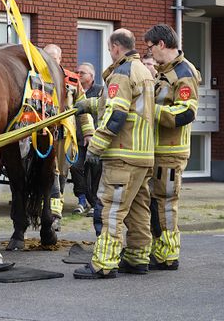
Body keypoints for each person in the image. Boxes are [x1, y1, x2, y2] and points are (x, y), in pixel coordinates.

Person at [73, 29, 155, 279]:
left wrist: (95, 147)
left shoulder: (121, 73)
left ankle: (104, 263)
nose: (110, 53)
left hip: (122, 154)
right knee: (139, 209)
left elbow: (116, 114)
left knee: (111, 209)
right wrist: (87, 104)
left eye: (110, 49)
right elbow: (123, 105)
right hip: (142, 155)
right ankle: (138, 257)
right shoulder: (143, 71)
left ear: (117, 48)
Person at [143, 24, 201, 270]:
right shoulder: (163, 71)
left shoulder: (183, 73)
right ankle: (160, 249)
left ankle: (168, 254)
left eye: (150, 48)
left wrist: (152, 111)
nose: (149, 53)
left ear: (161, 45)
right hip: (157, 149)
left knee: (166, 202)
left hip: (171, 151)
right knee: (156, 202)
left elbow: (186, 112)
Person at [43, 44, 94, 231]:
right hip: (42, 136)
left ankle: (55, 211)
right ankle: (53, 215)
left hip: (66, 136)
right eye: (46, 57)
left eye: (53, 58)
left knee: (62, 174)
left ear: (60, 59)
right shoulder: (37, 77)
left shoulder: (72, 80)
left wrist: (88, 132)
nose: (49, 61)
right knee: (50, 173)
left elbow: (84, 106)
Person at [69, 62, 104, 217]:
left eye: (82, 72)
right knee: (75, 167)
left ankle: (95, 202)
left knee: (95, 170)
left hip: (94, 138)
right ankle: (81, 199)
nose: (78, 74)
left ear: (92, 76)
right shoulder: (72, 90)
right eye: (77, 72)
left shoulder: (100, 91)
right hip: (76, 138)